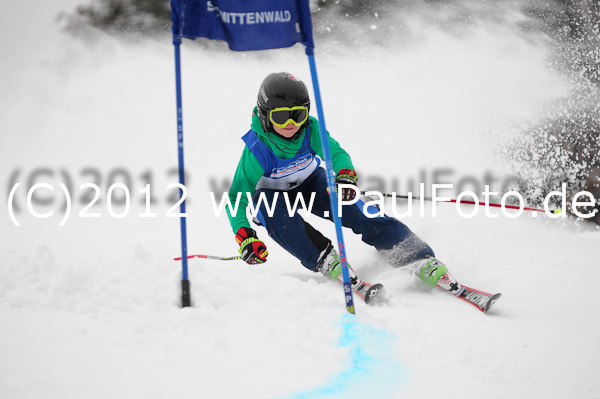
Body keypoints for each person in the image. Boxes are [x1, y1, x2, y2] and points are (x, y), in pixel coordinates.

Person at [226, 72, 464, 301]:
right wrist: (245, 236)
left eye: (298, 115)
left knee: (355, 207)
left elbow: (336, 153)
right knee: (278, 217)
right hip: (271, 194)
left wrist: (345, 176)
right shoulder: (258, 149)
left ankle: (411, 253)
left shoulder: (310, 130)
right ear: (266, 116)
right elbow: (237, 197)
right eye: (281, 117)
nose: (291, 123)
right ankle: (323, 257)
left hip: (310, 182)